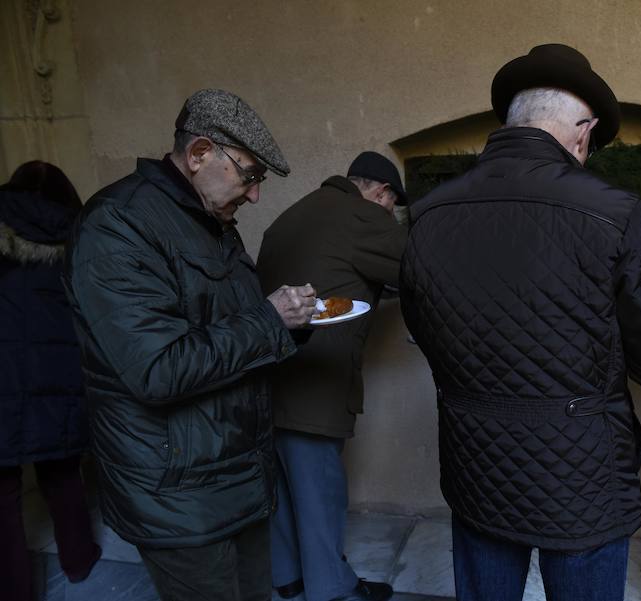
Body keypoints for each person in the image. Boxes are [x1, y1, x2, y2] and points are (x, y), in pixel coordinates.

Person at [399, 43, 641, 601]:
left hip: (477, 465)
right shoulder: (613, 212)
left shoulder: (426, 215)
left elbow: (425, 327)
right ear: (583, 131)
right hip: (581, 478)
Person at [63, 89, 318, 601]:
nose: (254, 195)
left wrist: (291, 321)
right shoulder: (117, 225)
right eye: (249, 175)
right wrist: (271, 320)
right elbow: (158, 369)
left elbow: (234, 326)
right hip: (177, 494)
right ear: (200, 153)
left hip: (237, 475)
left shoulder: (211, 222)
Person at [256, 151, 408, 601]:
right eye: (392, 208)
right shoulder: (362, 214)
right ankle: (332, 591)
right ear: (382, 193)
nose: (390, 217)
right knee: (319, 493)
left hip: (267, 375)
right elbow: (420, 267)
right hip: (316, 386)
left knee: (282, 489)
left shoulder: (291, 214)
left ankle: (287, 578)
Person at [0, 161, 102, 601]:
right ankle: (78, 560)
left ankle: (14, 589)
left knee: (1, 494)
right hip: (58, 380)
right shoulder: (82, 237)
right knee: (62, 474)